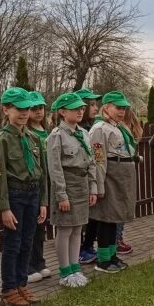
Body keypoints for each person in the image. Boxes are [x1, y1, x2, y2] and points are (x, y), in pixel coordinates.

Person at [0, 87, 48, 306]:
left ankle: (22, 284)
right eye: (19, 109)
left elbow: (42, 172)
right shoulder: (2, 140)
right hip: (15, 195)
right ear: (6, 110)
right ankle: (8, 289)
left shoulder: (34, 138)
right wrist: (4, 207)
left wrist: (43, 201)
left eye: (28, 109)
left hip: (33, 194)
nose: (24, 113)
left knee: (27, 242)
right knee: (13, 244)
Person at [46, 92, 97, 287]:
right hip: (66, 185)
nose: (80, 111)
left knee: (78, 228)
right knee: (65, 229)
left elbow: (91, 162)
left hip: (82, 185)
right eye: (76, 108)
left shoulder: (83, 134)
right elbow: (55, 169)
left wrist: (92, 187)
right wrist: (61, 195)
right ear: (62, 111)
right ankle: (65, 270)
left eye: (82, 108)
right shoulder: (56, 136)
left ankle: (75, 268)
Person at [88, 91, 138, 272]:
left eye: (124, 108)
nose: (122, 111)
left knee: (114, 217)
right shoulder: (100, 129)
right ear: (106, 107)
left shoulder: (117, 127)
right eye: (118, 107)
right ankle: (103, 259)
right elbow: (98, 159)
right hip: (110, 176)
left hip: (120, 176)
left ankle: (112, 255)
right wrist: (99, 185)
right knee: (106, 218)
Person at [26, 92, 52, 282]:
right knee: (30, 226)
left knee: (41, 224)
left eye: (40, 108)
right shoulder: (28, 134)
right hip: (32, 182)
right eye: (34, 109)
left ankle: (39, 261)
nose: (38, 112)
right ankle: (28, 265)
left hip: (47, 181)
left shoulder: (48, 131)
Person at [75, 87, 102, 264]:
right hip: (79, 181)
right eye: (90, 105)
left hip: (93, 178)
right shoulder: (78, 130)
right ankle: (79, 250)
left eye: (95, 104)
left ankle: (88, 245)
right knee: (81, 221)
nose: (95, 108)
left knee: (94, 217)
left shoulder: (95, 127)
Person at [116, 106, 143, 255]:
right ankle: (116, 239)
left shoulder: (127, 129)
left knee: (124, 206)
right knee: (119, 207)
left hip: (127, 172)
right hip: (119, 173)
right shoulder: (116, 129)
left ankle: (118, 237)